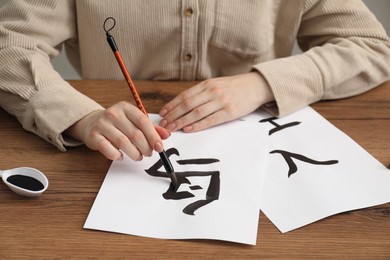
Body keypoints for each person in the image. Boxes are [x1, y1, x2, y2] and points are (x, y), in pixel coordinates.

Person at [0, 0, 389, 162]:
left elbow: (372, 46)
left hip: (254, 154)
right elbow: (9, 44)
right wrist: (80, 116)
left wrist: (263, 83)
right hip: (110, 157)